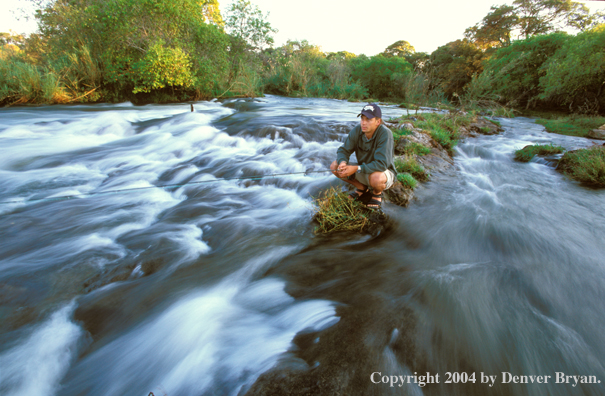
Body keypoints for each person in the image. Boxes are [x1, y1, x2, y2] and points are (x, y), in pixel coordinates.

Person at [331, 103, 397, 209]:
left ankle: (377, 193)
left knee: (376, 178)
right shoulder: (357, 130)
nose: (363, 123)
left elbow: (382, 164)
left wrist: (356, 168)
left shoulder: (385, 134)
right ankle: (362, 188)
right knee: (335, 166)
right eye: (362, 119)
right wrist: (342, 162)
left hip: (383, 172)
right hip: (364, 169)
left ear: (378, 122)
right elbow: (343, 150)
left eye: (368, 119)